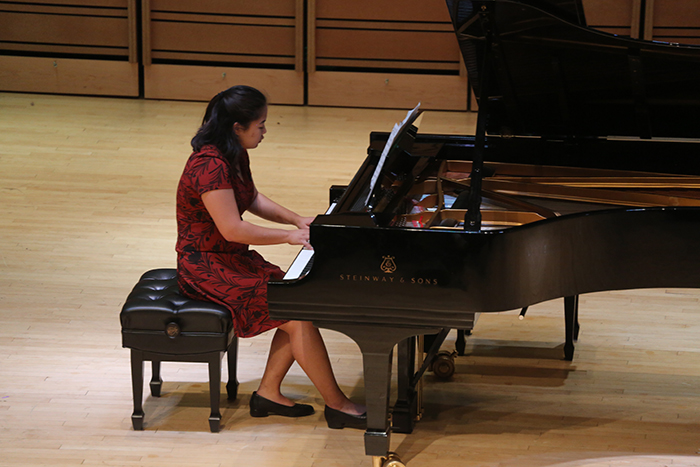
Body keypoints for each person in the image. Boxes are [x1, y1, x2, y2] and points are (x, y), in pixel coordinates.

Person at [175, 85, 366, 429]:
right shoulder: (209, 166)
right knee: (295, 310)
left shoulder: (232, 153)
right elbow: (233, 228)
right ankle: (337, 406)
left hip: (229, 257)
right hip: (206, 266)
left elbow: (250, 198)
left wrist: (296, 219)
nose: (265, 131)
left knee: (295, 303)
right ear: (238, 127)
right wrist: (288, 237)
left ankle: (268, 393)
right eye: (260, 125)